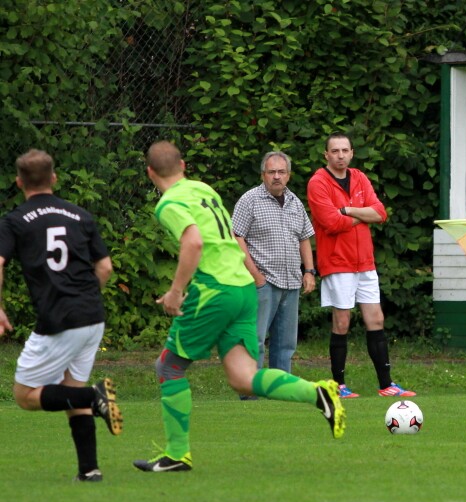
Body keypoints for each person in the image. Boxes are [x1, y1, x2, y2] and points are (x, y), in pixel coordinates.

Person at [134, 141, 345, 473]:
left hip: (215, 290)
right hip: (243, 288)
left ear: (150, 172)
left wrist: (176, 291)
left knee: (169, 367)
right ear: (184, 166)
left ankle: (177, 454)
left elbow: (194, 241)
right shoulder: (203, 189)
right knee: (244, 378)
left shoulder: (170, 202)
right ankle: (317, 392)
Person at [0, 149, 122, 482]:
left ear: (19, 182)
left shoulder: (14, 220)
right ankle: (89, 470)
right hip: (92, 316)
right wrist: (86, 298)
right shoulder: (79, 215)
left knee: (25, 396)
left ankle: (95, 397)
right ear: (54, 178)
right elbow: (105, 267)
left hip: (59, 320)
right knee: (71, 388)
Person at [307, 132, 415, 399]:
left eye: (345, 150)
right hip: (337, 262)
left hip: (364, 262)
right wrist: (362, 214)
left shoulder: (359, 177)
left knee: (376, 319)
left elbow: (380, 213)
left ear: (352, 153)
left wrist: (347, 210)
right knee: (342, 322)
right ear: (326, 154)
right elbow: (330, 223)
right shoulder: (318, 182)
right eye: (335, 151)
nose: (340, 155)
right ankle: (338, 386)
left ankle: (386, 385)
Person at [231, 151, 316, 379]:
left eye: (281, 172)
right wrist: (256, 276)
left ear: (288, 175)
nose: (276, 176)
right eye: (271, 172)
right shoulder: (250, 200)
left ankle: (280, 389)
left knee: (286, 344)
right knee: (255, 340)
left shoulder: (295, 202)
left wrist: (309, 271)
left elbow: (304, 237)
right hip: (262, 283)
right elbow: (236, 237)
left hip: (291, 282)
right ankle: (250, 389)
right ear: (263, 175)